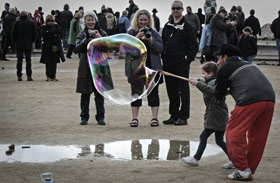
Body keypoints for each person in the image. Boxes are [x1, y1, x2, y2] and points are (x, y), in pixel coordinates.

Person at [215, 44, 275, 180]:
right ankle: (248, 169)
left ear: (225, 57)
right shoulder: (249, 64)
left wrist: (201, 84)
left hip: (249, 101)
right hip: (269, 99)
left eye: (219, 58)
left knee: (233, 133)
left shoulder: (225, 68)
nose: (218, 62)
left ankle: (242, 168)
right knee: (257, 137)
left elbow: (218, 95)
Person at [182, 62, 233, 169]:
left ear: (210, 73)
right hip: (218, 114)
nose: (202, 75)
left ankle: (196, 158)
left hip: (216, 115)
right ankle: (233, 159)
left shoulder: (214, 82)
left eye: (204, 73)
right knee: (219, 140)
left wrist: (198, 84)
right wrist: (199, 81)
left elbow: (210, 90)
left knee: (203, 136)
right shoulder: (214, 80)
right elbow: (207, 85)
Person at [125, 9, 164, 127]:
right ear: (137, 20)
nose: (143, 22)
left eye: (145, 20)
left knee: (153, 93)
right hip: (136, 68)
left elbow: (160, 49)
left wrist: (151, 40)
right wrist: (136, 38)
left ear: (149, 21)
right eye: (141, 20)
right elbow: (126, 49)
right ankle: (135, 118)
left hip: (152, 68)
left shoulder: (154, 33)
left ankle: (154, 118)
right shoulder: (131, 33)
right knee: (136, 93)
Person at [161, 0, 197, 125]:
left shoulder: (188, 27)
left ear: (182, 9)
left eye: (178, 8)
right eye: (173, 8)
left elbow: (193, 46)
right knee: (171, 90)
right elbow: (163, 42)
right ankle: (173, 114)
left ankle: (183, 116)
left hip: (181, 63)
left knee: (183, 90)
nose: (175, 10)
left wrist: (187, 60)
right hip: (168, 63)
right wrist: (163, 57)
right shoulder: (167, 25)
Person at [74, 11, 107, 126]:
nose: (91, 22)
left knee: (99, 94)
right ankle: (84, 117)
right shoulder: (81, 34)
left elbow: (109, 47)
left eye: (92, 19)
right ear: (85, 22)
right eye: (88, 20)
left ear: (96, 20)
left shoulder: (102, 33)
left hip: (99, 66)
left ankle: (101, 117)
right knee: (85, 93)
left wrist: (100, 38)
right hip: (86, 67)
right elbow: (77, 48)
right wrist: (87, 40)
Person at [11, 11, 36, 81]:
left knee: (19, 60)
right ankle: (29, 76)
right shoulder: (31, 23)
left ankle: (19, 75)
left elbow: (13, 34)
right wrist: (32, 41)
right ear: (27, 15)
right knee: (28, 60)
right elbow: (35, 34)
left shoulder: (16, 23)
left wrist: (15, 41)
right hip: (28, 44)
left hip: (19, 44)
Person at [40, 14, 65, 81]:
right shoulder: (44, 27)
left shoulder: (56, 26)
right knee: (48, 63)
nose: (50, 22)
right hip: (47, 47)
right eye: (49, 20)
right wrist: (51, 30)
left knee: (54, 63)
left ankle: (53, 76)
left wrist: (50, 30)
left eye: (52, 20)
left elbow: (59, 32)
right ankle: (48, 76)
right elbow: (43, 33)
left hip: (55, 47)